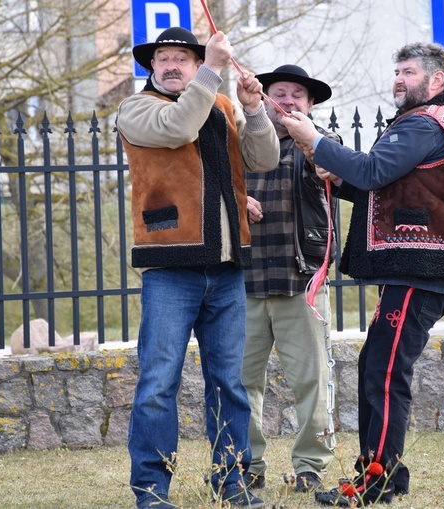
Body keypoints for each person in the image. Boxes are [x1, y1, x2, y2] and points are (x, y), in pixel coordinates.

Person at [283, 42, 444, 506]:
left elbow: (373, 170)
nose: (399, 79)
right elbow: (377, 187)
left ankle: (376, 478)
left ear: (437, 81)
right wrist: (337, 175)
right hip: (412, 271)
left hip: (420, 271)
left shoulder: (427, 124)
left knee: (384, 374)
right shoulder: (419, 125)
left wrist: (316, 140)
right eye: (397, 72)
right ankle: (387, 471)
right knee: (377, 366)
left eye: (409, 72)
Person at [115, 27, 279, 509]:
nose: (171, 65)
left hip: (226, 268)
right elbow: (179, 129)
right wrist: (211, 70)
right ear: (151, 68)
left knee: (230, 383)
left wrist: (253, 108)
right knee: (158, 383)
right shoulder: (137, 109)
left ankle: (233, 482)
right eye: (162, 58)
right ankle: (150, 490)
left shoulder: (220, 105)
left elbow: (263, 158)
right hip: (169, 269)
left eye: (182, 58)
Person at [240, 65, 341, 493]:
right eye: (278, 91)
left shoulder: (323, 146)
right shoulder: (240, 144)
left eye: (298, 94)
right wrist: (235, 200)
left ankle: (310, 467)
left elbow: (343, 177)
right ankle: (246, 463)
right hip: (242, 280)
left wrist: (324, 164)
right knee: (241, 382)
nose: (288, 99)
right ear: (262, 99)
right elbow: (210, 188)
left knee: (312, 381)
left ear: (310, 104)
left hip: (303, 281)